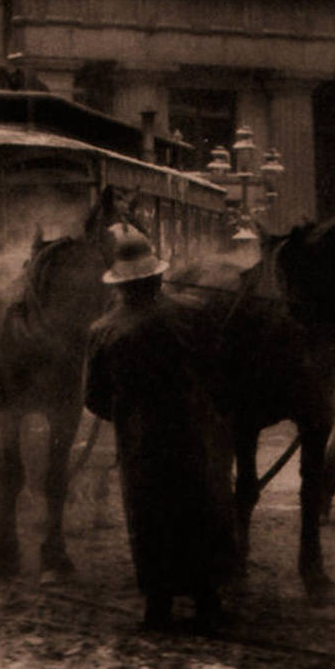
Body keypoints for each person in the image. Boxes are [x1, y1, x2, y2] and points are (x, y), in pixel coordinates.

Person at [84, 232, 237, 632]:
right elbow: (218, 369)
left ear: (120, 284)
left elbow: (94, 398)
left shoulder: (102, 329)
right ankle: (207, 600)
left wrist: (128, 416)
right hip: (192, 430)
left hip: (139, 440)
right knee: (199, 508)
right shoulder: (194, 312)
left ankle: (158, 604)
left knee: (148, 516)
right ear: (156, 277)